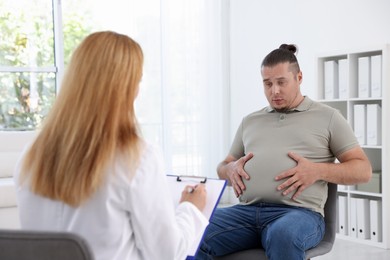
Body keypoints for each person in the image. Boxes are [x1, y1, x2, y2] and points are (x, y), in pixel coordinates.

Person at [14, 31, 209, 260]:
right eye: (137, 82)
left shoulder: (31, 155)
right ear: (125, 88)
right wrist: (190, 209)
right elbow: (167, 253)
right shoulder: (137, 158)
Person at [195, 44, 372, 260]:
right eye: (267, 83)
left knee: (283, 234)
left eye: (281, 82)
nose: (274, 91)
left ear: (299, 77)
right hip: (245, 212)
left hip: (299, 215)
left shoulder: (329, 117)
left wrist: (317, 171)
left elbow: (363, 170)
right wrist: (229, 169)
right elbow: (222, 167)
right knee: (194, 229)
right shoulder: (250, 121)